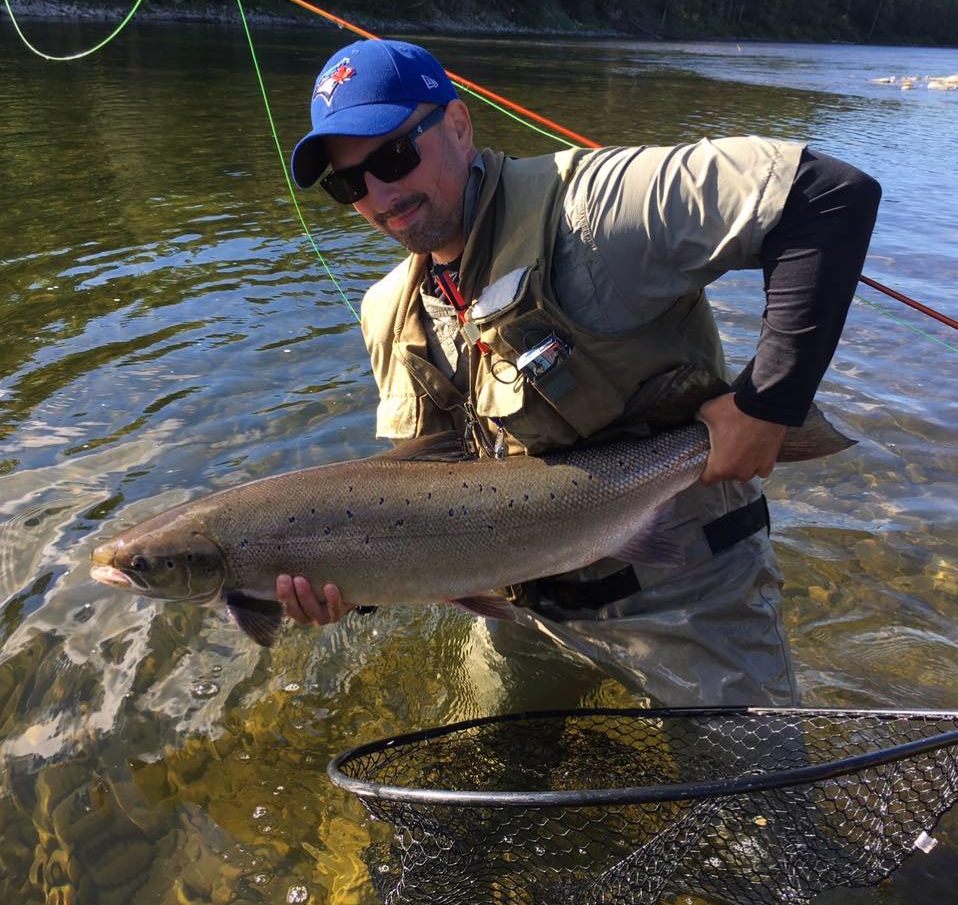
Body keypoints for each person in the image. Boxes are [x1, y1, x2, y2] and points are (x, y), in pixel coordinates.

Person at [275, 38, 881, 708]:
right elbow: (421, 495)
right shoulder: (387, 311)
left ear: (457, 125)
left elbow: (826, 194)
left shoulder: (595, 210)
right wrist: (346, 582)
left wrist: (769, 406)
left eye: (392, 155)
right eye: (348, 183)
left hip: (690, 591)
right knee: (488, 801)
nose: (381, 195)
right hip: (525, 616)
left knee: (761, 813)